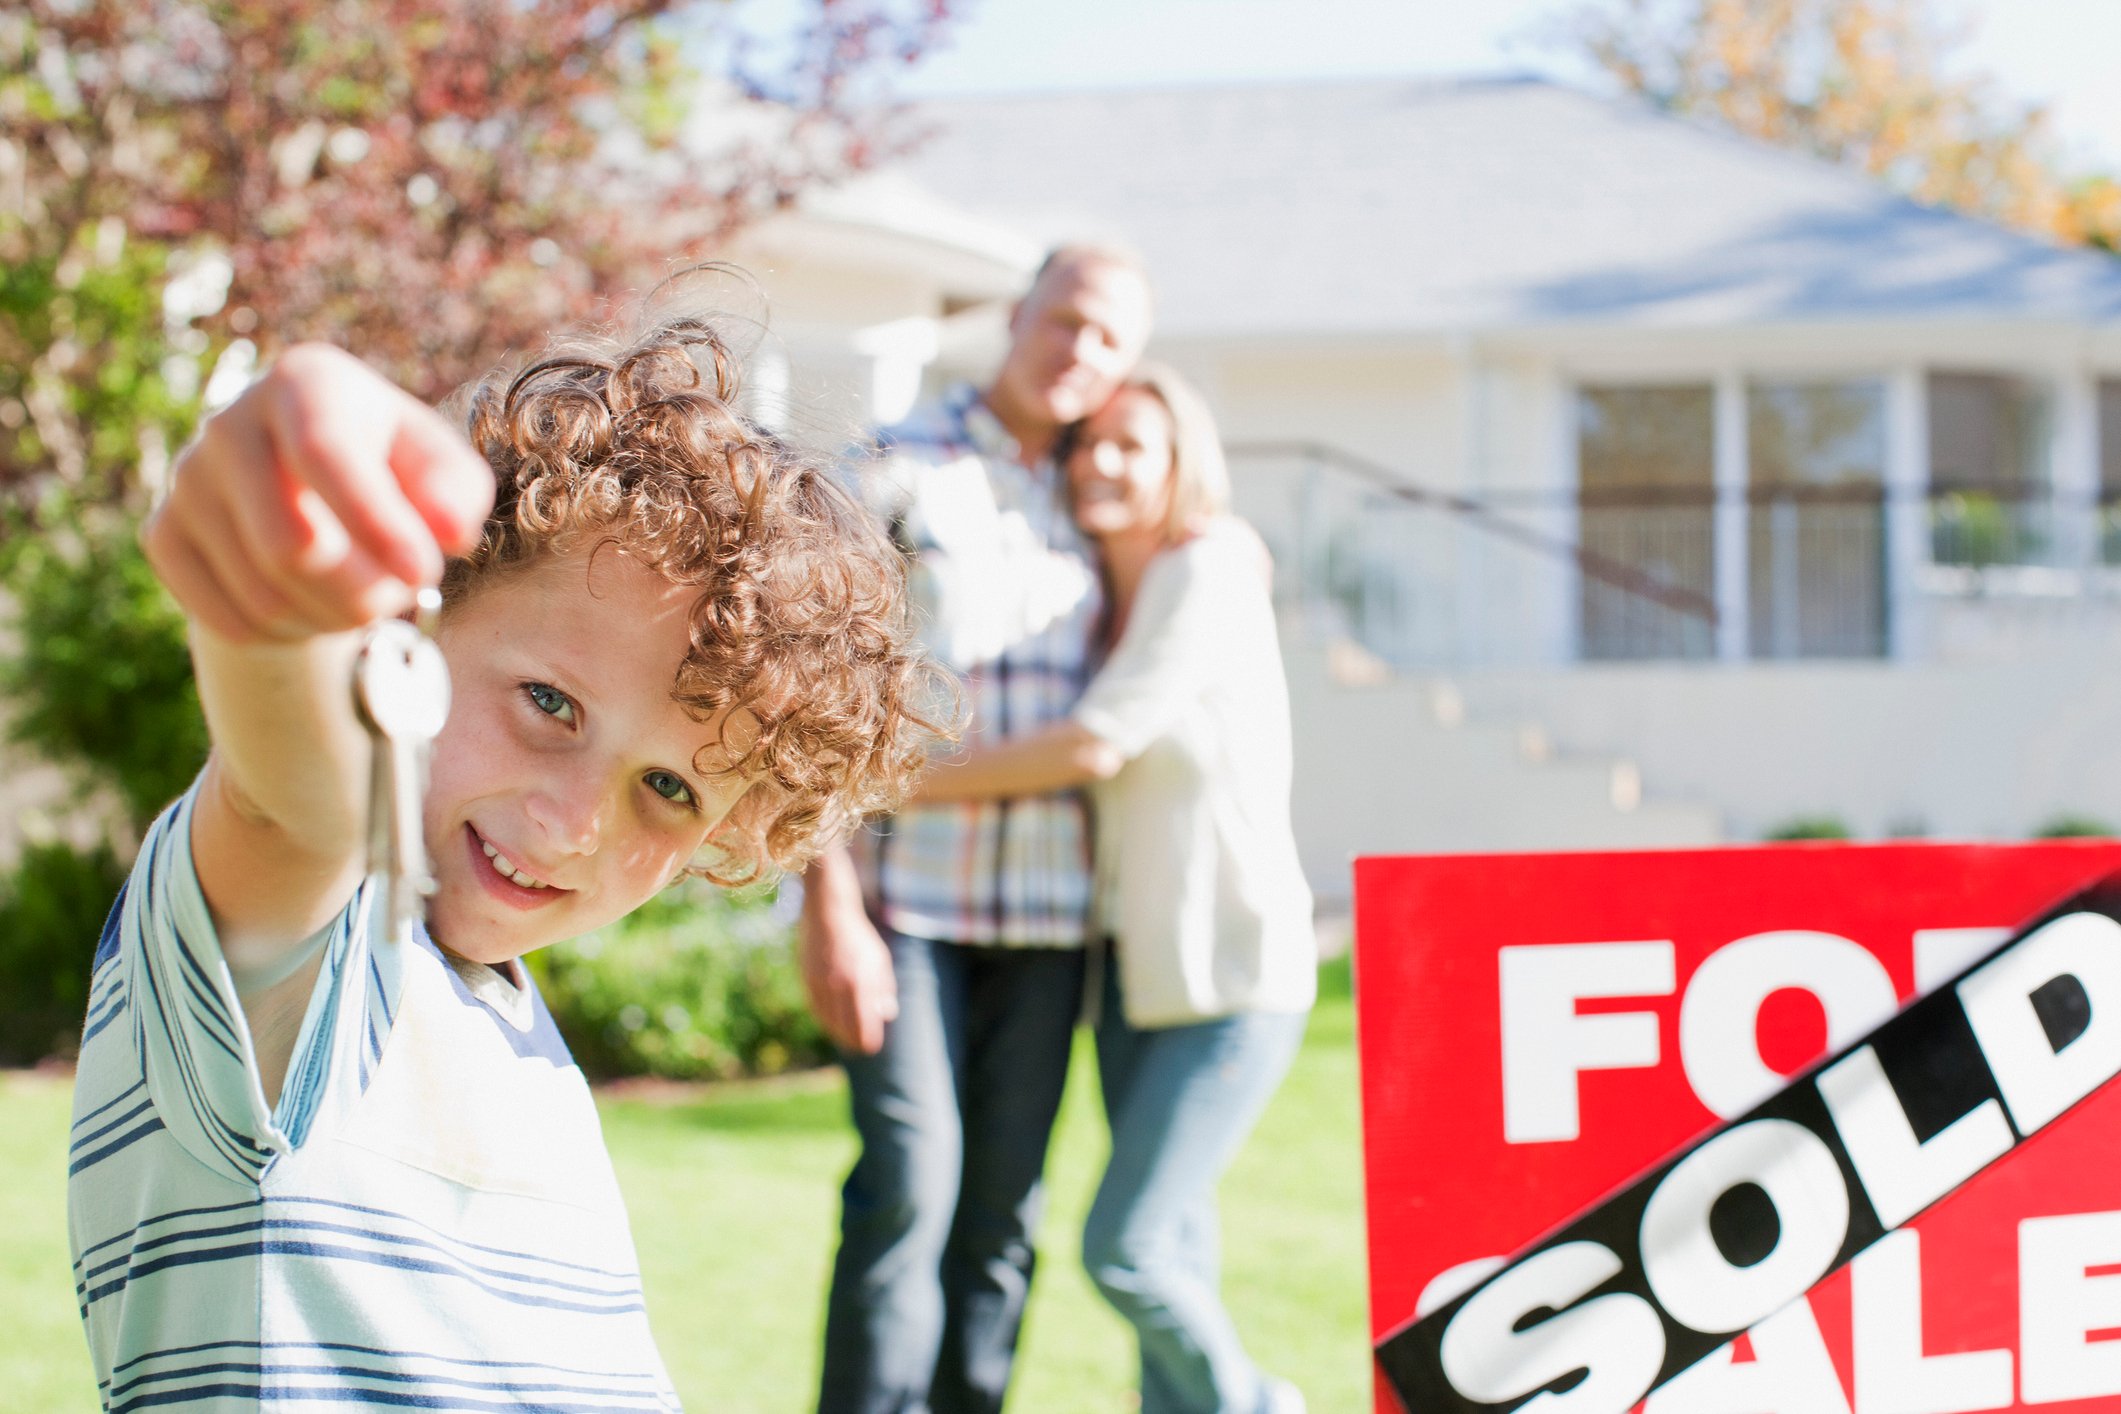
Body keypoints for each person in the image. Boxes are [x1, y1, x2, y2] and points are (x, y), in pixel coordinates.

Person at [68, 313, 938, 1410]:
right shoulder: (318, 963)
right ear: (414, 631)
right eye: (548, 703)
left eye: (668, 789)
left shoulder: (501, 1024)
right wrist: (281, 567)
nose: (576, 819)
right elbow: (288, 799)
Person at [914, 365, 1317, 1414]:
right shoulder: (1105, 597)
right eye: (1090, 443)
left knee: (1128, 1248)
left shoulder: (1211, 563)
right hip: (1138, 974)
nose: (1102, 461)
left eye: (1134, 445)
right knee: (1179, 1243)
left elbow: (1094, 744)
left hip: (1233, 972)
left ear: (1186, 460)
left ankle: (1254, 1401)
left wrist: (897, 779)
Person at [802, 245, 1154, 1413]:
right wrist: (829, 906)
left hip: (1054, 923)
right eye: (1066, 322)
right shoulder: (895, 468)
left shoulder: (1106, 496)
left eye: (1110, 339)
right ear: (1018, 316)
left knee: (1004, 1219)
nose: (1080, 353)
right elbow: (813, 698)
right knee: (909, 1188)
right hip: (907, 908)